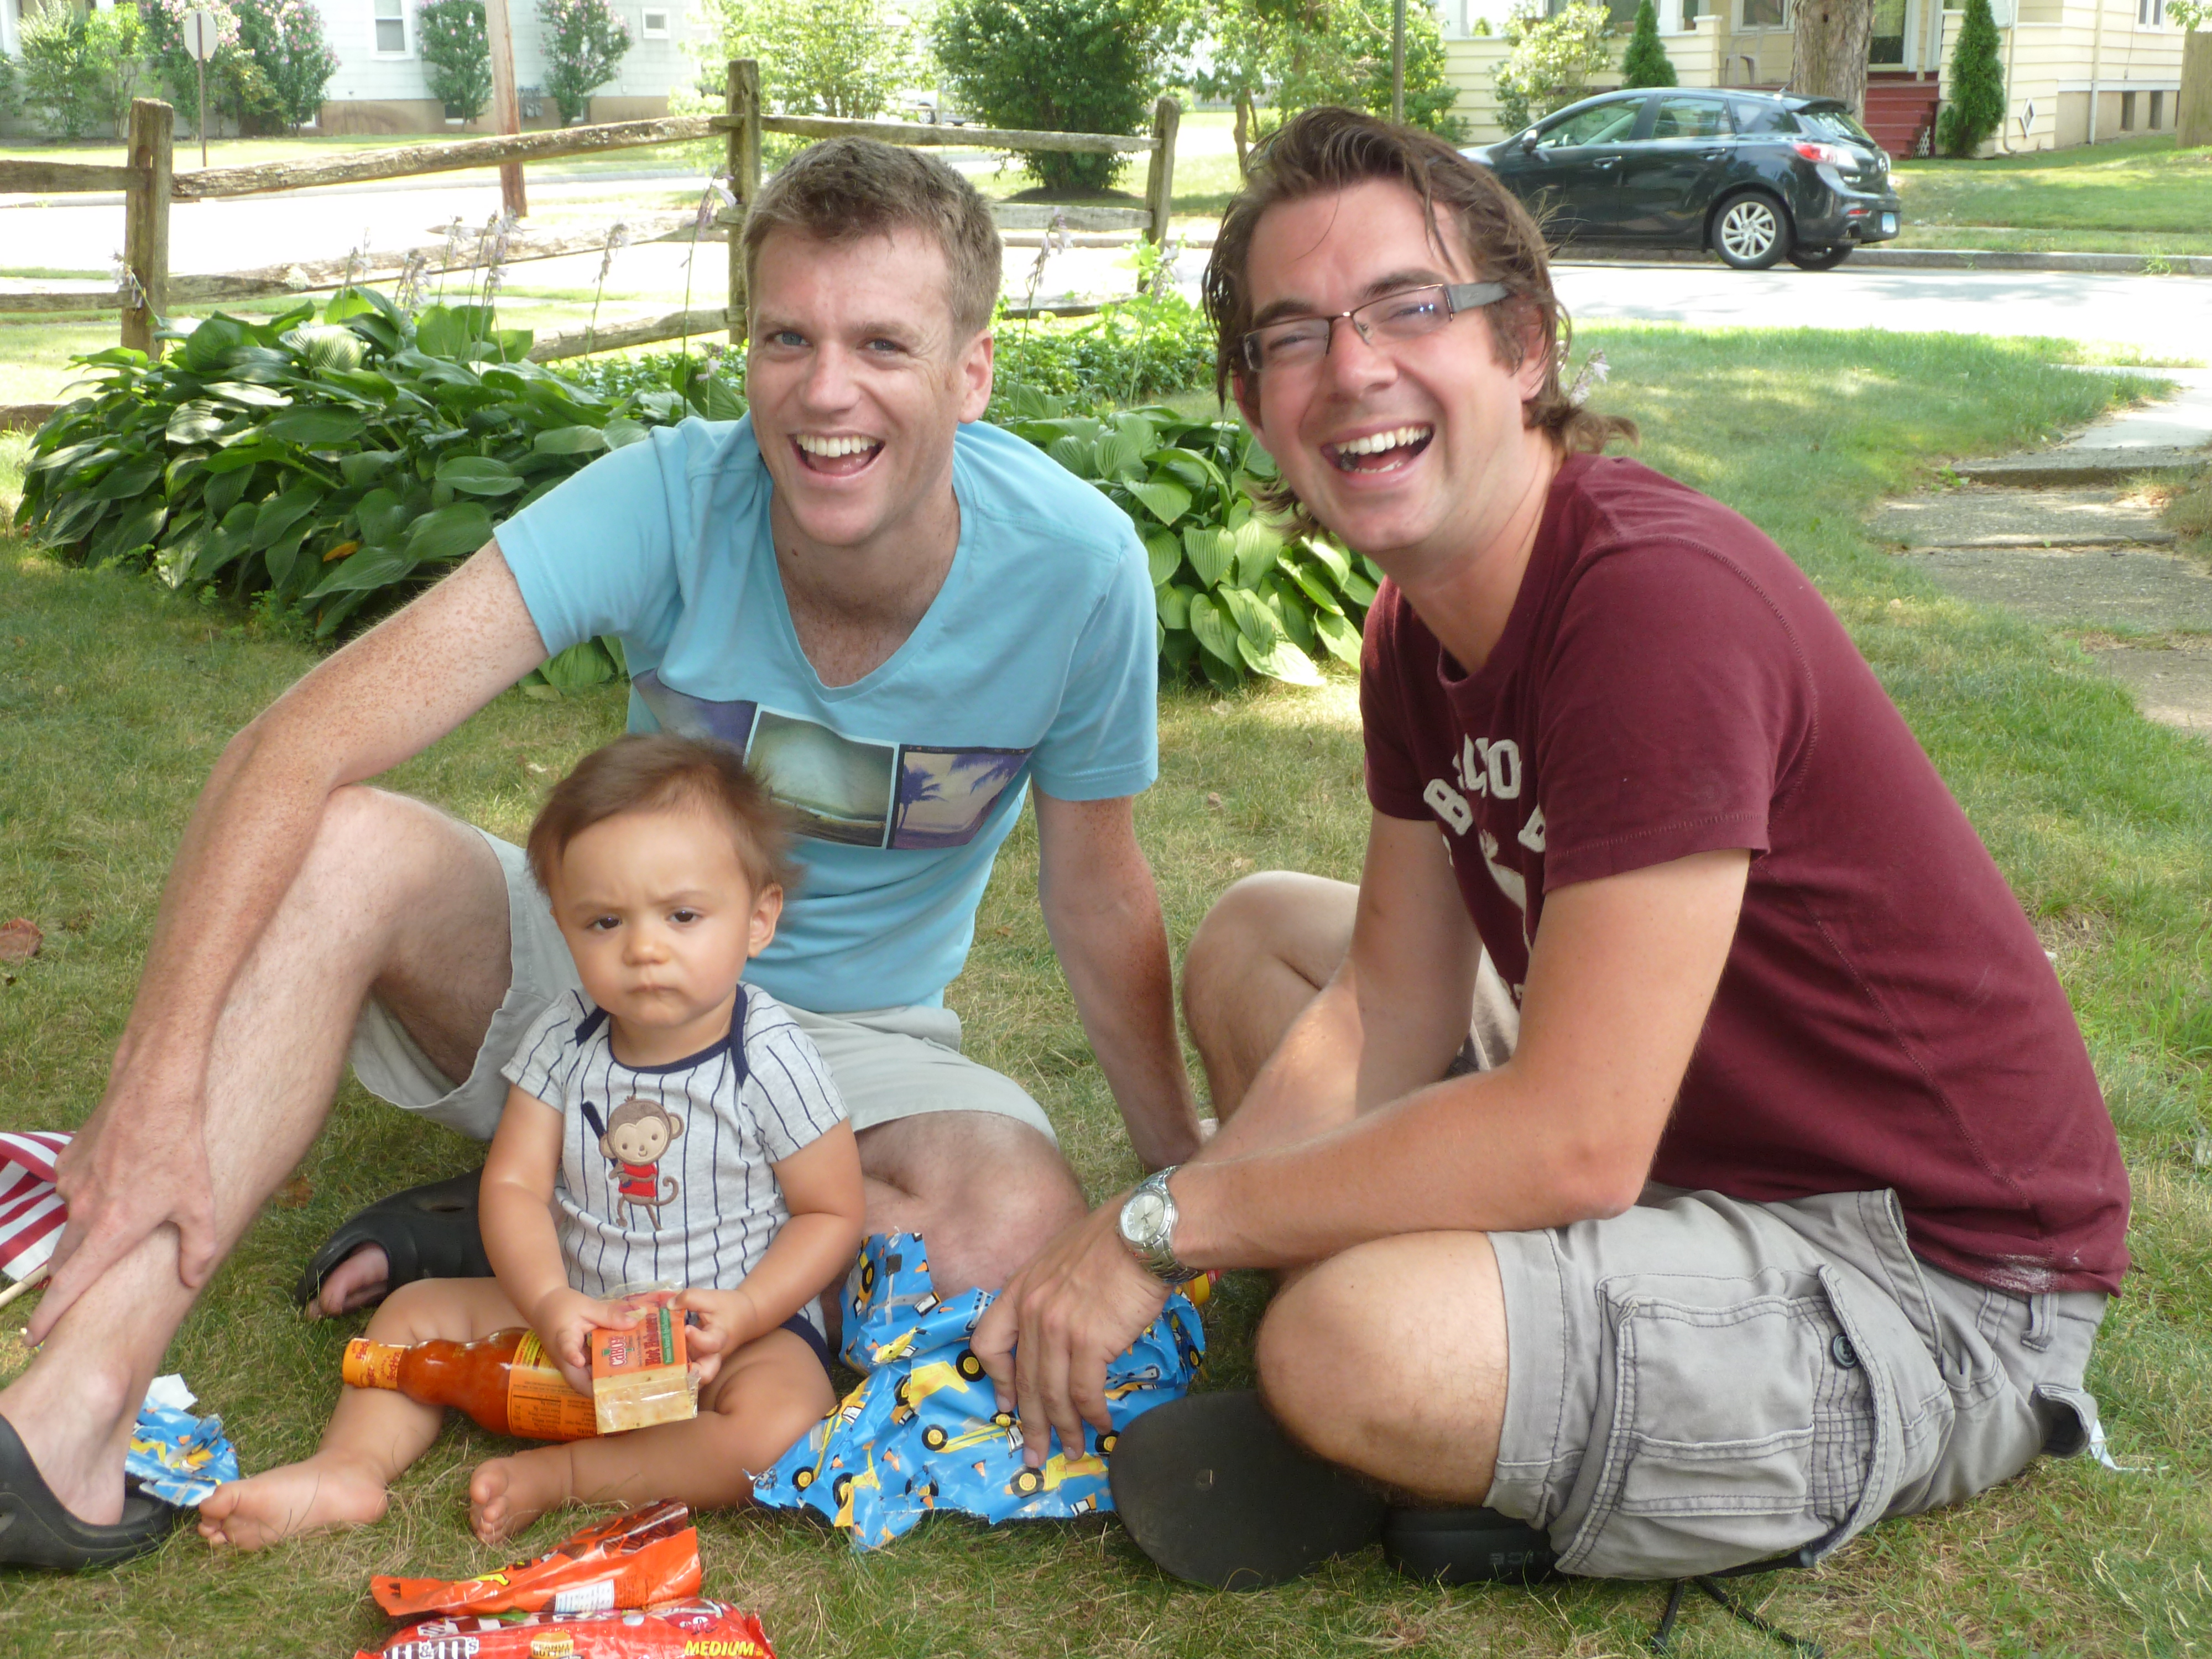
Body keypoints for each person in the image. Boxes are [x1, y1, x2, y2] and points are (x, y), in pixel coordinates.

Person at [973, 107, 2131, 1593]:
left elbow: (1576, 1135)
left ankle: (1442, 1404)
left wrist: (1160, 1226)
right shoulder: (1412, 632)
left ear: (1521, 344)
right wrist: (1184, 1232)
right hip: (1678, 1141)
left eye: (1408, 307)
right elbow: (1388, 1008)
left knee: (1345, 1341)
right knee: (1260, 936)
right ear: (1256, 404)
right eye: (1293, 335)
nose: (1353, 368)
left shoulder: (1653, 606)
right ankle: (1490, 1381)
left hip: (1926, 1270)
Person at [0, 137, 1198, 1570]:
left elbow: (1096, 890)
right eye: (787, 339)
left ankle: (531, 1223)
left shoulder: (1078, 569)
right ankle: (73, 1406)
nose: (826, 391)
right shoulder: (669, 499)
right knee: (346, 845)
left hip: (854, 1044)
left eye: (884, 344)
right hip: (601, 978)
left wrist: (1176, 1191)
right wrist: (153, 1084)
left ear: (971, 372)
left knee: (1007, 1231)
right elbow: (295, 744)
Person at [199, 734, 864, 1549]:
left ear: (759, 918)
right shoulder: (565, 1037)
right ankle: (348, 1469)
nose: (644, 948)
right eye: (605, 921)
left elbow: (831, 1212)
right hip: (580, 1307)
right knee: (411, 1314)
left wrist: (750, 1309)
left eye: (683, 916)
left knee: (783, 1428)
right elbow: (514, 1186)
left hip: (728, 1334)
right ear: (564, 926)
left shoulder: (770, 1056)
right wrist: (551, 1304)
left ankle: (566, 1476)